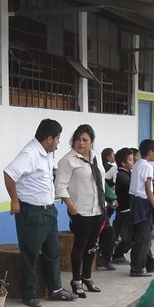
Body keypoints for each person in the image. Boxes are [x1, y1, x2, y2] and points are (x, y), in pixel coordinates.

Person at [4, 119, 76, 307]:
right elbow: (9, 174)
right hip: (31, 212)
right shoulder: (30, 153)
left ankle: (56, 289)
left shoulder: (46, 153)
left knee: (53, 251)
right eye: (58, 138)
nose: (59, 142)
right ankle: (28, 294)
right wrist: (14, 200)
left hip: (49, 211)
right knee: (30, 255)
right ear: (49, 138)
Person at [56, 124, 107, 297]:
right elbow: (60, 187)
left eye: (85, 139)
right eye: (78, 139)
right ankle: (76, 280)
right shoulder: (68, 160)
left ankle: (87, 277)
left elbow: (101, 180)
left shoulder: (96, 157)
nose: (81, 143)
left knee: (92, 246)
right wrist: (71, 206)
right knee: (80, 245)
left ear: (91, 142)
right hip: (81, 211)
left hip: (98, 209)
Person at [130, 139, 154, 277]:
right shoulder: (148, 166)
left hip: (135, 201)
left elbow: (145, 186)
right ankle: (137, 267)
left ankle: (150, 263)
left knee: (144, 235)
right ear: (150, 152)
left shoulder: (137, 164)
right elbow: (148, 190)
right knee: (143, 237)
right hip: (143, 203)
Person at [111, 147, 136, 266]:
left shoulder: (128, 173)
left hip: (127, 209)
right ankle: (117, 255)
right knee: (128, 237)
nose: (133, 162)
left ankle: (117, 254)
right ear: (123, 163)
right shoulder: (122, 175)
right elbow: (133, 187)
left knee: (126, 236)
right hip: (124, 210)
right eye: (130, 160)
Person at [98, 148, 118, 271]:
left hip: (99, 211)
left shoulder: (99, 174)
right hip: (83, 214)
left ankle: (104, 259)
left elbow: (105, 189)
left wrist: (112, 200)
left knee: (109, 231)